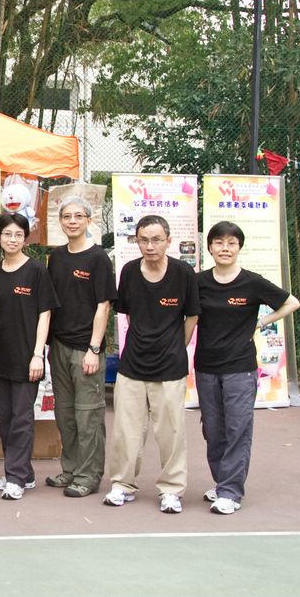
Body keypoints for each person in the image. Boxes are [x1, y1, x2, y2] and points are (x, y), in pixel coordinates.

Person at [195, 220, 300, 514]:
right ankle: (221, 483)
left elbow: (291, 303)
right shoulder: (198, 282)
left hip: (240, 368)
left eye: (231, 243)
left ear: (239, 247)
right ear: (210, 247)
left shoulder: (252, 282)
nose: (225, 248)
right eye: (219, 242)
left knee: (237, 428)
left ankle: (230, 492)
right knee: (213, 430)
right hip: (205, 367)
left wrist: (262, 321)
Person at [105, 214, 200, 514]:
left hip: (170, 367)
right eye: (143, 240)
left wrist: (175, 346)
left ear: (168, 241)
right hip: (132, 364)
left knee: (171, 433)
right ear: (136, 241)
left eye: (156, 240)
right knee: (126, 431)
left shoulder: (184, 273)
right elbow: (128, 313)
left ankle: (171, 490)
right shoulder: (129, 272)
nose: (150, 246)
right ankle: (122, 485)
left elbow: (192, 316)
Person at [46, 196, 116, 498]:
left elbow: (103, 306)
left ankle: (89, 475)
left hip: (86, 349)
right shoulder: (56, 257)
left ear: (89, 220)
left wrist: (94, 349)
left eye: (78, 216)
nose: (72, 221)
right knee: (65, 414)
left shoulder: (98, 258)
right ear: (60, 221)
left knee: (89, 416)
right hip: (58, 346)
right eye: (67, 216)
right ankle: (71, 468)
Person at [0, 213, 58, 500]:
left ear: (25, 238)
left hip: (28, 357)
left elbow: (45, 314)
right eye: (7, 234)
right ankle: (23, 474)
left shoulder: (37, 271)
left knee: (21, 419)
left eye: (18, 234)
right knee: (4, 418)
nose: (12, 239)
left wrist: (38, 354)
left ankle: (14, 477)